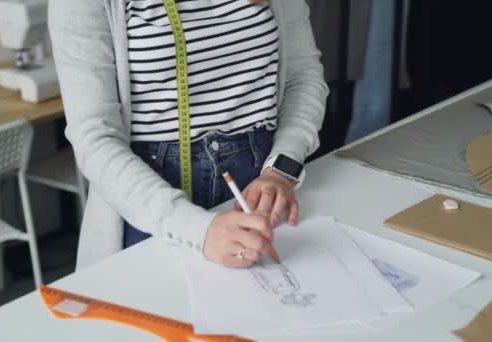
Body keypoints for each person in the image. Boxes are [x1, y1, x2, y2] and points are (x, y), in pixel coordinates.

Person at [48, 0, 328, 270]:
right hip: (148, 201)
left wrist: (282, 169)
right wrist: (198, 230)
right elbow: (94, 137)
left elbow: (302, 77)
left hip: (260, 184)